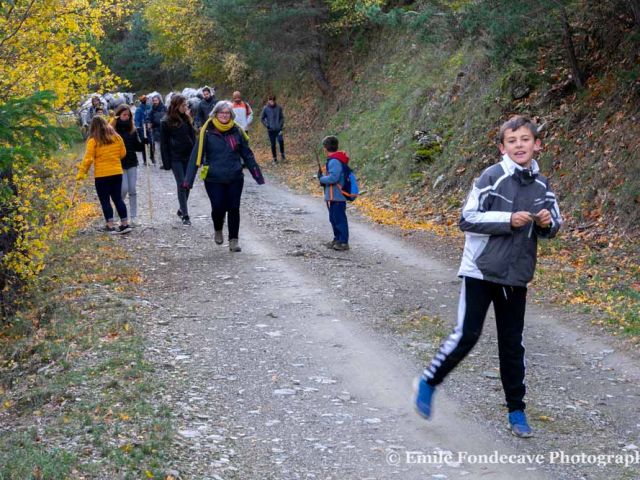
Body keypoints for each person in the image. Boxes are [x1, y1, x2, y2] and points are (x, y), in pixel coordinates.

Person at [414, 115, 562, 438]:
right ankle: (428, 381)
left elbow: (555, 223)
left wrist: (547, 223)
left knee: (512, 345)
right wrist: (509, 219)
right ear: (502, 147)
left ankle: (517, 411)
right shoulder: (490, 177)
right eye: (512, 141)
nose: (519, 145)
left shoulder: (543, 186)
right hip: (480, 271)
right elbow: (467, 218)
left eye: (525, 140)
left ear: (537, 145)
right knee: (467, 335)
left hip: (516, 276)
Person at [184, 101, 265, 252]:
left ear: (231, 115)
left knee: (234, 207)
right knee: (218, 206)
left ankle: (234, 240)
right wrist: (188, 180)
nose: (224, 115)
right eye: (221, 112)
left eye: (227, 113)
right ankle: (218, 228)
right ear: (215, 114)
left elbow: (247, 155)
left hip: (234, 176)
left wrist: (257, 175)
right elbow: (196, 156)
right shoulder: (206, 132)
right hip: (213, 178)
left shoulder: (237, 131)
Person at [76, 116, 131, 234]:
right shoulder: (117, 137)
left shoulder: (93, 141)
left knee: (105, 200)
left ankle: (110, 225)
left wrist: (81, 174)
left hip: (102, 175)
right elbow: (123, 153)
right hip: (116, 172)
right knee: (117, 198)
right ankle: (125, 224)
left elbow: (88, 159)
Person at [160, 94, 196, 226]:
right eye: (183, 105)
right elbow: (163, 144)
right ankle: (186, 215)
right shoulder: (166, 121)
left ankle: (181, 208)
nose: (185, 107)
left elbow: (193, 138)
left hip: (189, 156)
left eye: (186, 105)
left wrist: (198, 155)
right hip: (175, 157)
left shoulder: (187, 119)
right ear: (176, 106)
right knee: (182, 184)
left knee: (188, 184)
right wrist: (166, 162)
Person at [111, 104, 143, 226]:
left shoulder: (132, 130)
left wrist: (144, 142)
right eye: (124, 115)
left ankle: (134, 217)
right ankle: (118, 212)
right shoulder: (113, 131)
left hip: (132, 162)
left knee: (132, 189)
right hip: (119, 163)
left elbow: (137, 147)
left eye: (128, 115)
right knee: (123, 189)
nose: (127, 117)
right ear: (118, 116)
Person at [318, 135, 350, 251]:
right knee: (333, 218)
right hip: (334, 196)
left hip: (337, 196)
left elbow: (334, 178)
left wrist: (322, 179)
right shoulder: (336, 159)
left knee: (339, 219)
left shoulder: (334, 161)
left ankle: (343, 242)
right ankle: (337, 239)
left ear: (326, 148)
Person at [260, 95, 285, 163]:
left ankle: (282, 155)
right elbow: (262, 118)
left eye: (273, 100)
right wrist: (267, 125)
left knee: (281, 141)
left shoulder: (279, 108)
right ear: (268, 100)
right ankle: (275, 158)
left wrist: (280, 125)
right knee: (273, 144)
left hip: (278, 129)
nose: (272, 102)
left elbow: (282, 117)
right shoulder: (265, 108)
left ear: (275, 100)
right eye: (270, 100)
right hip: (270, 130)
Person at [147, 95, 167, 165]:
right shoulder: (152, 110)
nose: (155, 102)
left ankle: (166, 162)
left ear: (159, 100)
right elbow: (149, 118)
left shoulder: (164, 108)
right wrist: (149, 123)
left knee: (165, 147)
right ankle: (161, 163)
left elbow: (168, 116)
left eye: (156, 100)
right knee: (158, 148)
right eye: (154, 101)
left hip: (165, 130)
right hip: (156, 130)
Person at [134, 95, 150, 165]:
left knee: (150, 144)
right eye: (144, 99)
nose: (145, 100)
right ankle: (145, 160)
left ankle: (151, 158)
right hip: (142, 129)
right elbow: (137, 119)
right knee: (144, 144)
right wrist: (138, 127)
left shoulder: (149, 107)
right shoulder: (139, 109)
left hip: (149, 128)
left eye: (146, 99)